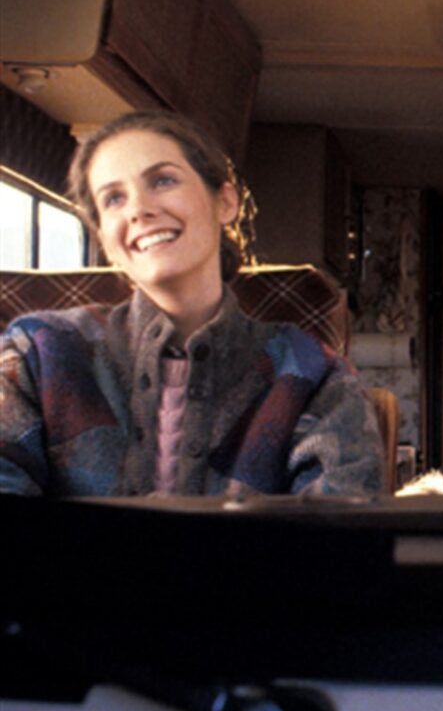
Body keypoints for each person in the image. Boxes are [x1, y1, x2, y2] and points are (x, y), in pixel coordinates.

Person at [0, 111, 382, 496]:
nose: (139, 209)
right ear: (104, 240)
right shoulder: (34, 353)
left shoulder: (314, 373)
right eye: (114, 198)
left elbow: (336, 523)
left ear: (225, 202)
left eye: (163, 180)